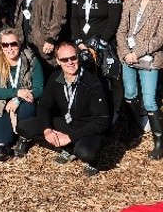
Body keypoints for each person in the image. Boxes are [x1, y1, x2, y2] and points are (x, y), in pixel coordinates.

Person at [15, 41, 113, 176]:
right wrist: (48, 130)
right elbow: (44, 105)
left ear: (78, 58)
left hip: (87, 129)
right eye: (64, 59)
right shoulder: (55, 78)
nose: (70, 62)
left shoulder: (93, 83)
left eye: (73, 58)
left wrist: (70, 137)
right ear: (58, 61)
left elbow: (102, 121)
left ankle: (90, 159)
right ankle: (68, 148)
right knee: (23, 126)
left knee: (85, 153)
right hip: (66, 123)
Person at [116, 0, 163, 159]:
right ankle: (133, 130)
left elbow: (160, 38)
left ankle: (159, 141)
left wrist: (136, 52)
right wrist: (125, 53)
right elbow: (121, 30)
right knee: (130, 93)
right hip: (128, 58)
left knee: (149, 99)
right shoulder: (129, 4)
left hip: (149, 58)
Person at [0, 28, 43, 162]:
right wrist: (16, 92)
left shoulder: (30, 59)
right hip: (2, 105)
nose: (10, 48)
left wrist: (18, 99)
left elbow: (39, 89)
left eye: (13, 44)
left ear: (19, 43)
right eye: (5, 45)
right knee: (1, 148)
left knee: (28, 107)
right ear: (1, 46)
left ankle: (23, 137)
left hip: (23, 103)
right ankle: (11, 134)